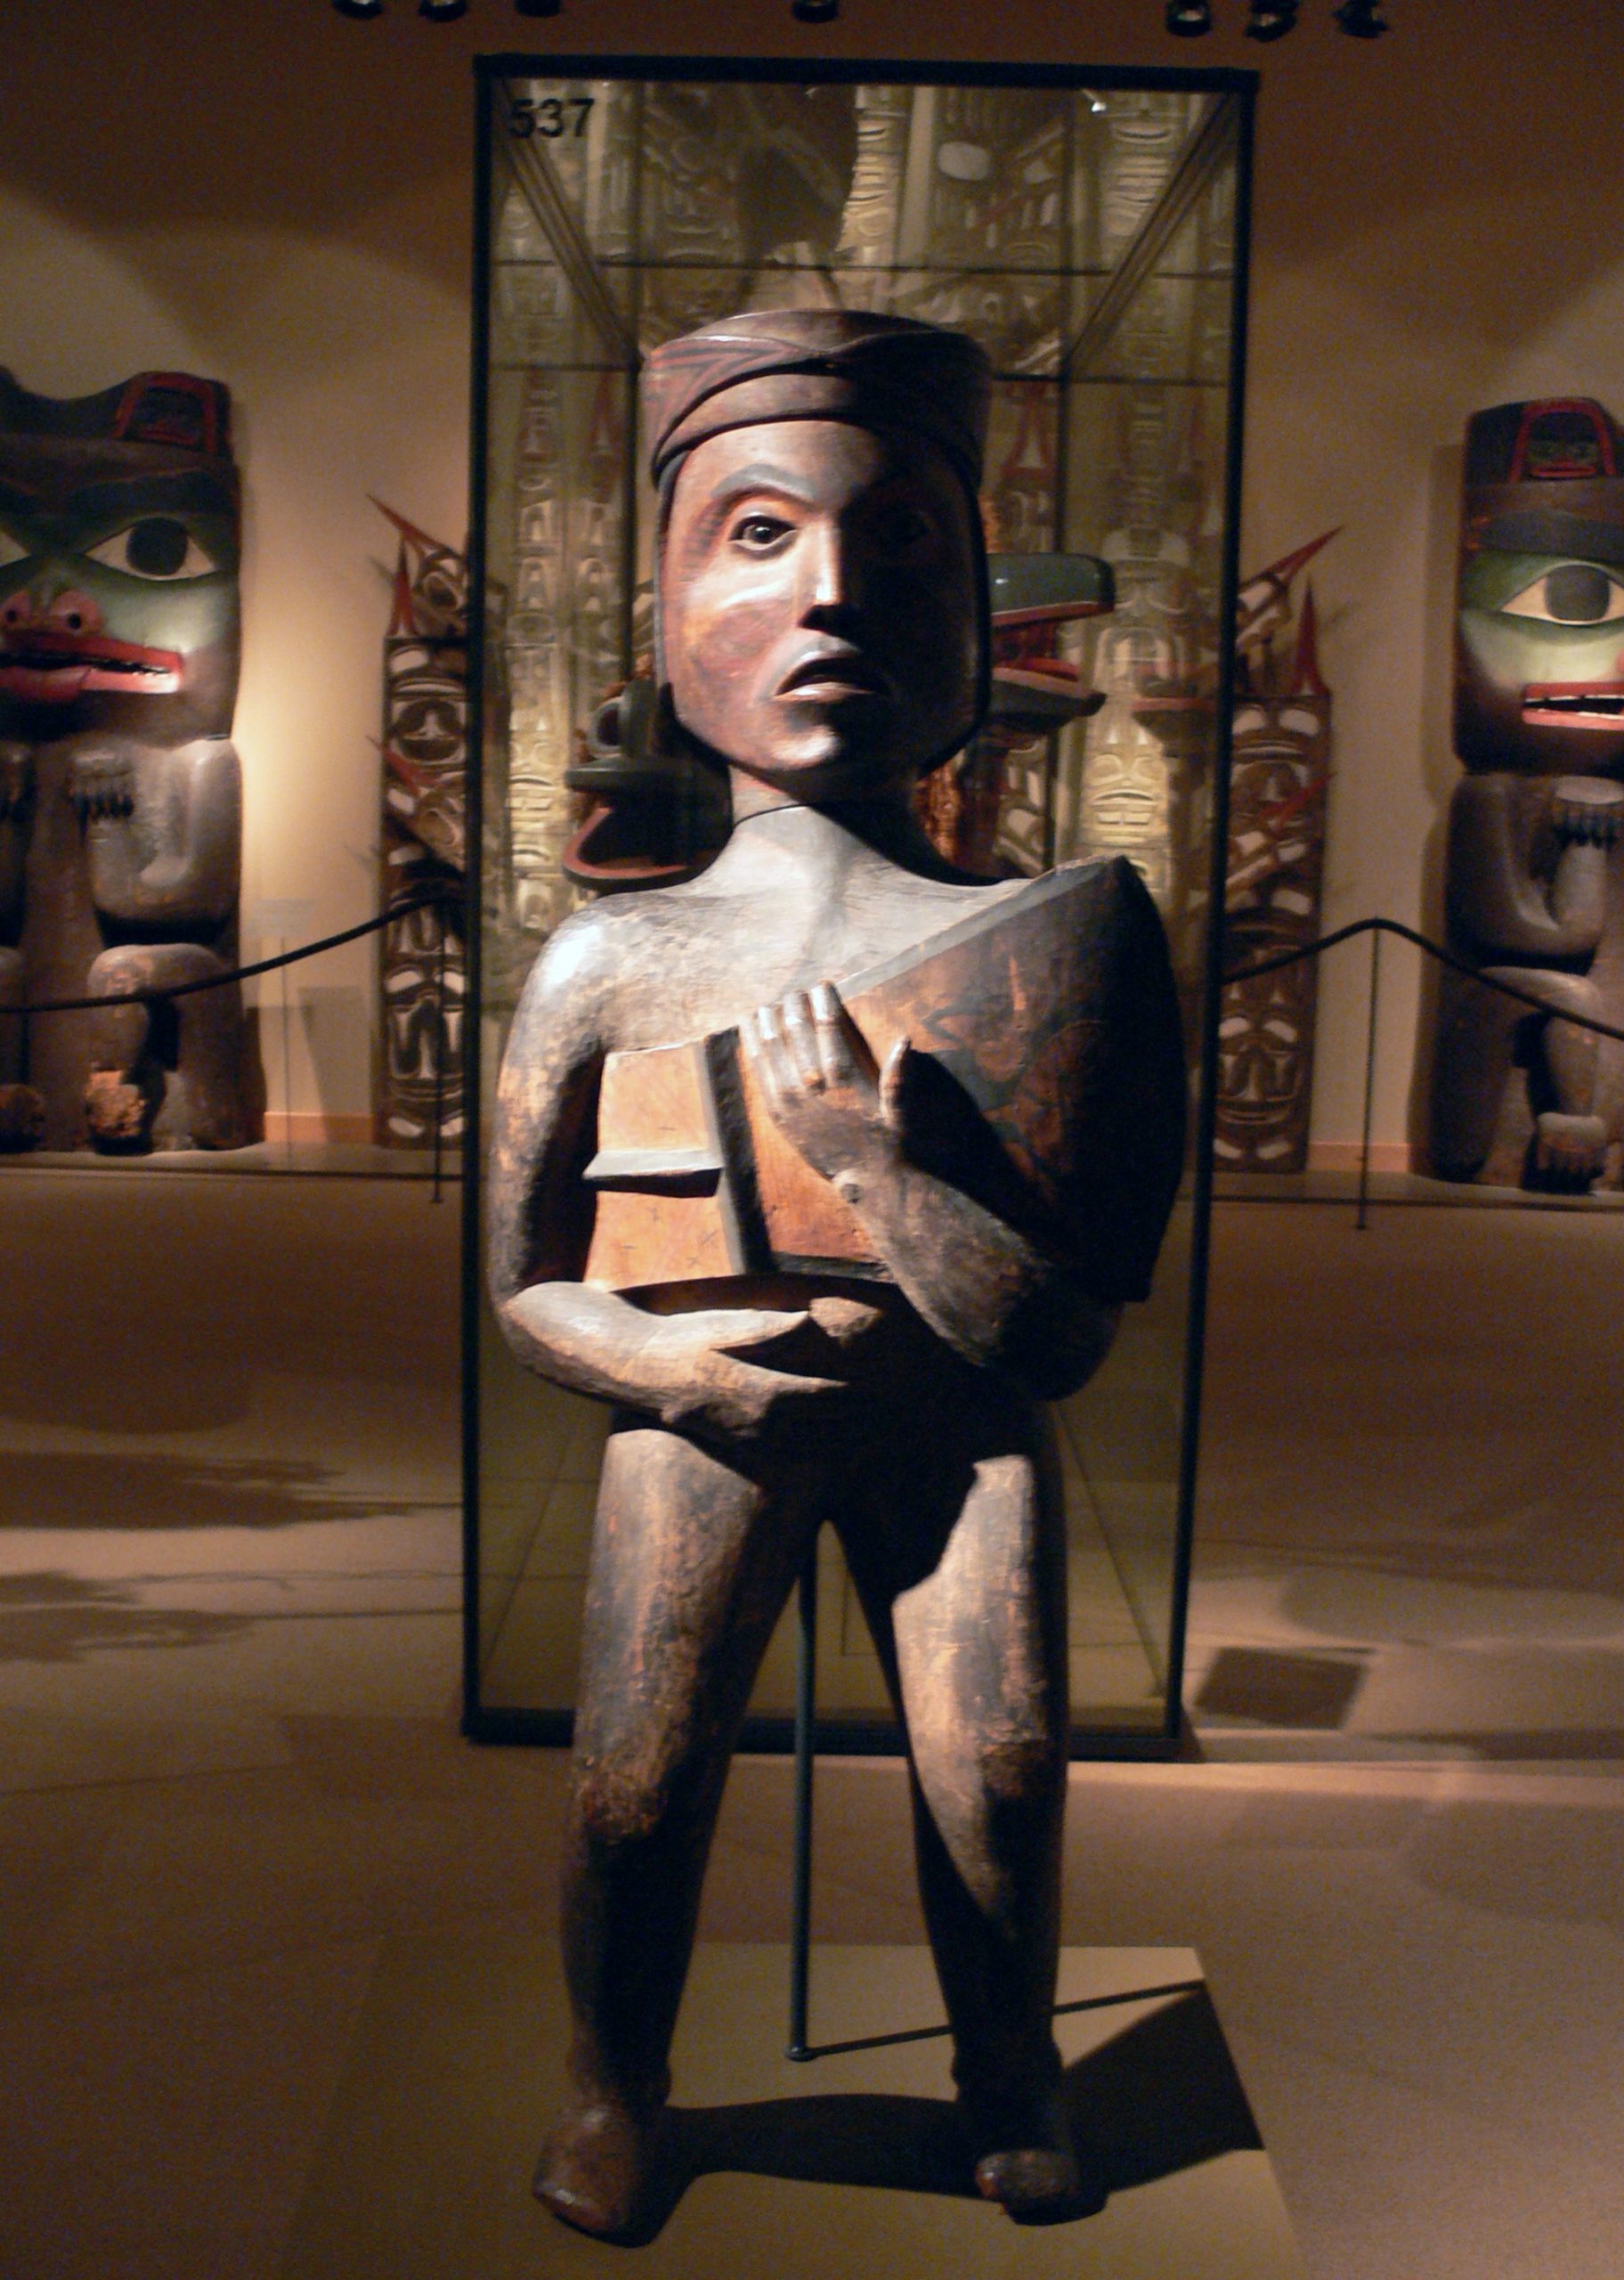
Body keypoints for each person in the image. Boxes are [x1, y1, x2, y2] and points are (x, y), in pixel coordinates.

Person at [487, 310, 1181, 2240]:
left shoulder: (1055, 945)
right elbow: (527, 1288)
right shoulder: (605, 967)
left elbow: (1058, 1329)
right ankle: (618, 2078)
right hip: (700, 1417)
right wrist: (686, 1378)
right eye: (760, 532)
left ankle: (1009, 2060)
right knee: (631, 1785)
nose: (836, 594)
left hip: (956, 1427)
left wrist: (873, 1160)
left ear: (979, 607)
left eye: (900, 547)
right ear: (664, 594)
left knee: (1005, 1767)